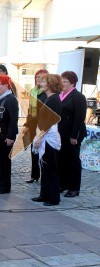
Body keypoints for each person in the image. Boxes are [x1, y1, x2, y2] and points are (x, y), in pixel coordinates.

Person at [31, 74, 62, 206]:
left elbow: (50, 121)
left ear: (51, 84)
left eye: (44, 82)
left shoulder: (53, 99)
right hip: (46, 135)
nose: (41, 84)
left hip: (49, 137)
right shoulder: (50, 98)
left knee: (51, 168)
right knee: (44, 166)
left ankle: (53, 198)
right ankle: (44, 194)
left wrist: (40, 137)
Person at [58, 71, 87, 198]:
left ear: (72, 83)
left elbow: (79, 118)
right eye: (62, 81)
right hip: (62, 133)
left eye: (65, 81)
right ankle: (63, 184)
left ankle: (74, 187)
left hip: (73, 134)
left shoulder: (78, 96)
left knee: (73, 160)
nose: (63, 84)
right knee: (63, 159)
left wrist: (74, 135)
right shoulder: (61, 95)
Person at [0, 75, 19, 194]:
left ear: (6, 86)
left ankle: (4, 186)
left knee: (3, 162)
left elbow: (13, 120)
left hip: (5, 135)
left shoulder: (10, 99)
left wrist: (10, 136)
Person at [22, 69, 48, 183]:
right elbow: (30, 110)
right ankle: (34, 175)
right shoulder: (33, 91)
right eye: (37, 77)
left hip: (42, 125)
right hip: (33, 124)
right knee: (33, 150)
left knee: (44, 150)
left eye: (41, 78)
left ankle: (45, 175)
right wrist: (27, 124)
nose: (38, 79)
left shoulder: (47, 92)